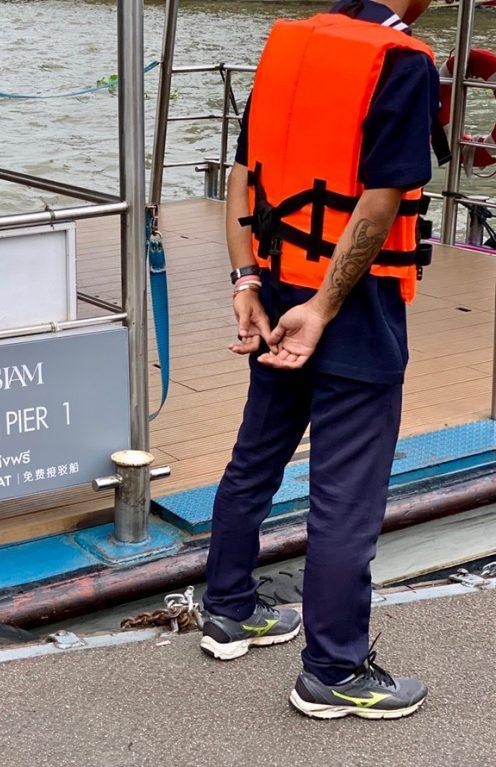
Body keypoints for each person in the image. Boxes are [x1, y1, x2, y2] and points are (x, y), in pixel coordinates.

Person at [200, 0, 445, 720]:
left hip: (275, 284)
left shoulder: (288, 45)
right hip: (351, 306)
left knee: (256, 455)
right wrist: (327, 308)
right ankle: (334, 670)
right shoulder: (402, 60)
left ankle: (229, 610)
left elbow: (242, 176)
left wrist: (246, 280)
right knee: (346, 496)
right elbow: (379, 202)